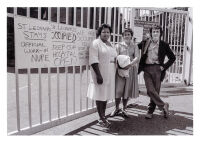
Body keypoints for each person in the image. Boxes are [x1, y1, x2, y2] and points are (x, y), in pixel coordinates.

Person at [138, 25, 176, 119]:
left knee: (155, 91)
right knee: (150, 90)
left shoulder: (164, 45)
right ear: (151, 33)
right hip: (146, 68)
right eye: (154, 31)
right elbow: (134, 47)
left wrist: (164, 66)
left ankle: (150, 111)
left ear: (160, 33)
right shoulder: (145, 42)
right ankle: (164, 105)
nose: (155, 33)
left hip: (158, 70)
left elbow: (173, 58)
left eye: (157, 31)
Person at [87, 24, 117, 127]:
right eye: (104, 32)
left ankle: (103, 116)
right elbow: (93, 60)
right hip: (100, 73)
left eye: (108, 32)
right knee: (100, 96)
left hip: (110, 73)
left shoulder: (110, 44)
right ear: (99, 32)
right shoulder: (95, 43)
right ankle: (101, 118)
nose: (106, 34)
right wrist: (98, 75)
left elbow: (114, 57)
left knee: (105, 95)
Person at [110, 28, 140, 118]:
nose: (127, 36)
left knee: (127, 89)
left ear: (131, 36)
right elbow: (116, 57)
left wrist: (130, 65)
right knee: (118, 90)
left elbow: (137, 57)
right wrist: (121, 66)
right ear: (122, 36)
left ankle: (124, 108)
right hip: (120, 70)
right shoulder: (118, 45)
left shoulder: (135, 46)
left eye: (129, 34)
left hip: (130, 70)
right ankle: (116, 108)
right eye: (125, 34)